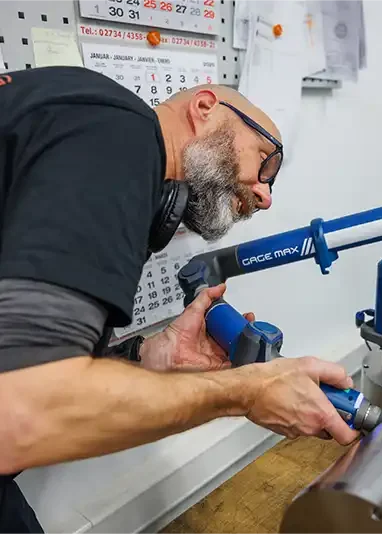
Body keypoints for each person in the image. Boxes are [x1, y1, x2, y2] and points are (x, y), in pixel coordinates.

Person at [0, 66, 359, 533]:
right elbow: (23, 410)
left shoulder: (83, 125)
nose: (265, 195)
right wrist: (247, 392)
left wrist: (149, 356)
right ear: (205, 108)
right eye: (265, 160)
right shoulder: (119, 132)